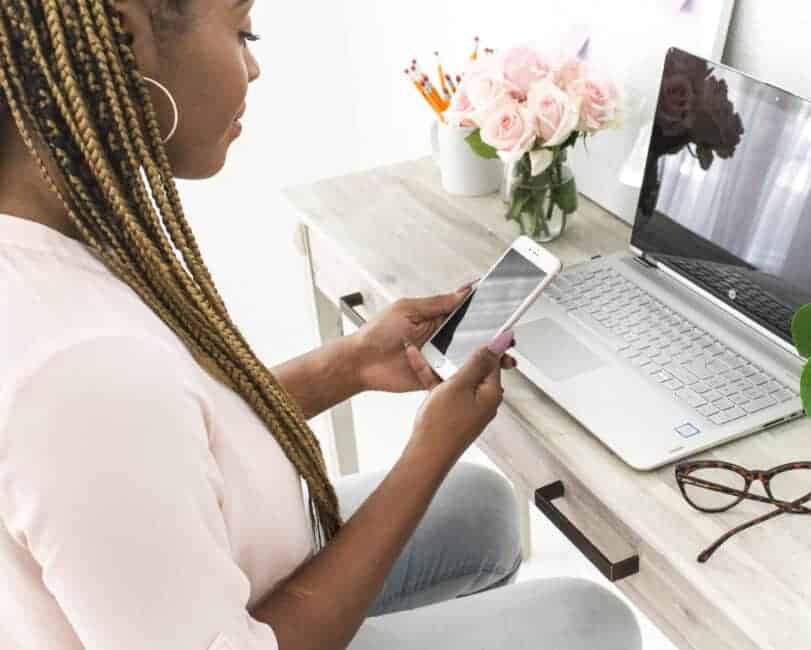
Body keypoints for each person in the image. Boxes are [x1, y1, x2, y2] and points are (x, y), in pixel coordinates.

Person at [0, 1, 643, 649]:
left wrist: (351, 364)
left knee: (481, 505)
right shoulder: (75, 375)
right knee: (592, 621)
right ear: (128, 36)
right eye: (241, 31)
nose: (252, 67)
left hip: (218, 581)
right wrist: (428, 452)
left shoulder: (54, 240)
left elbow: (177, 426)